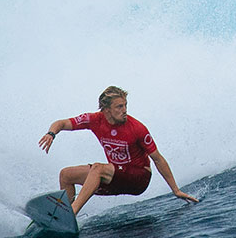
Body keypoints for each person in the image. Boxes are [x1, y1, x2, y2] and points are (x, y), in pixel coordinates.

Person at [38, 85, 199, 215]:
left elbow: (158, 159)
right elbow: (62, 123)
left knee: (98, 168)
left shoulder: (137, 128)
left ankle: (71, 212)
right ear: (106, 110)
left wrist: (176, 190)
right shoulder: (94, 120)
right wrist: (51, 133)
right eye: (119, 107)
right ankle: (61, 216)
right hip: (116, 179)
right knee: (66, 175)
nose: (125, 110)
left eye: (125, 105)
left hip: (139, 179)